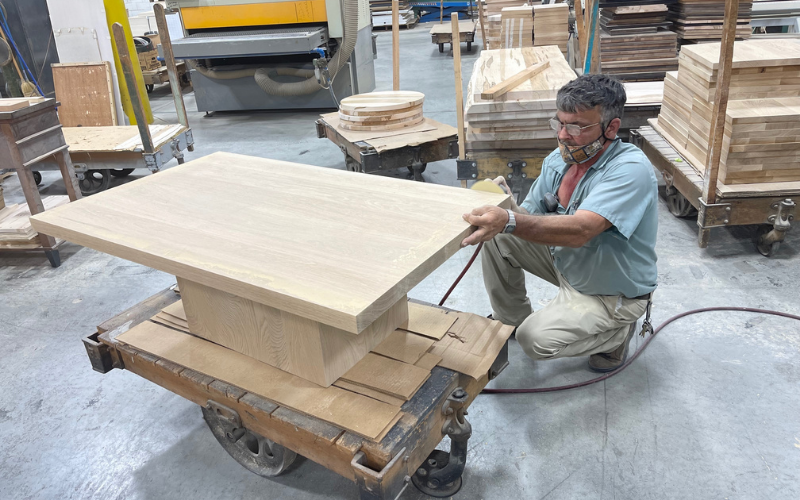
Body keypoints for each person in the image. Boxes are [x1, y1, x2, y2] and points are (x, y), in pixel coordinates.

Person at [461, 74, 658, 373]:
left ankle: (615, 334)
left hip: (610, 291)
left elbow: (581, 231)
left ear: (612, 128)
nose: (563, 135)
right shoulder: (560, 160)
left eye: (577, 126)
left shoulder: (630, 170)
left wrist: (510, 220)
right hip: (570, 263)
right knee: (500, 236)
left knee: (535, 341)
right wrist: (505, 208)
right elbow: (527, 216)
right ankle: (511, 319)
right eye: (560, 123)